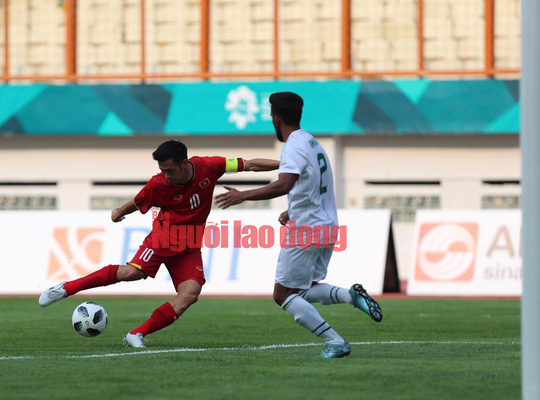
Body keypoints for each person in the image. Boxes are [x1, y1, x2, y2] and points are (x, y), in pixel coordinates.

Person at [39, 140, 279, 348]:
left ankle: (137, 333)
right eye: (163, 170)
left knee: (191, 293)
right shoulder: (158, 184)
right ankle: (65, 289)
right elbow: (137, 201)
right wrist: (117, 213)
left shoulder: (211, 166)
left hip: (190, 243)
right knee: (131, 273)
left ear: (185, 163)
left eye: (170, 170)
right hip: (164, 237)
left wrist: (286, 167)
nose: (167, 175)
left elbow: (249, 164)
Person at [215, 92, 382, 358]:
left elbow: (285, 183)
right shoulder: (313, 143)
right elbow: (313, 185)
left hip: (306, 230)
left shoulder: (292, 146)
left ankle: (335, 341)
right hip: (326, 226)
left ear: (275, 118)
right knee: (303, 289)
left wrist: (243, 195)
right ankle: (351, 296)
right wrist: (291, 209)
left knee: (282, 295)